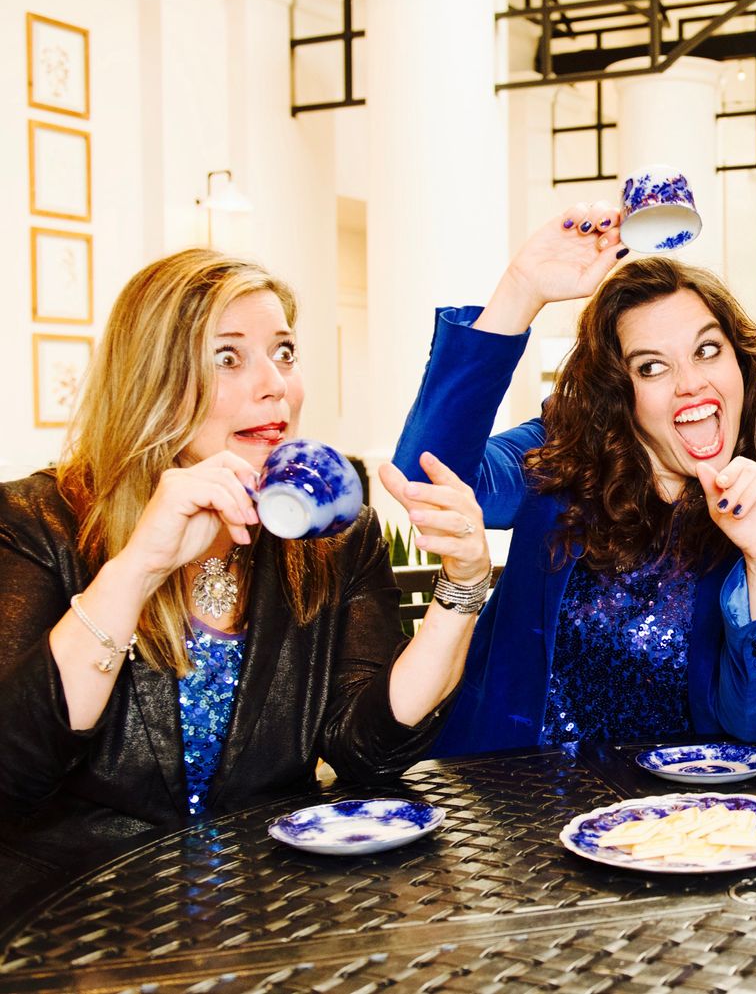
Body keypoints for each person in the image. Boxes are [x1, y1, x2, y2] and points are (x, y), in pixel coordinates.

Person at [0, 250, 489, 891]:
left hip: (269, 898)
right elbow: (13, 775)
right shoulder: (37, 521)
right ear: (152, 381)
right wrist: (139, 567)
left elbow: (366, 752)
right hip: (79, 907)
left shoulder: (335, 538)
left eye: (284, 353)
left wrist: (462, 586)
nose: (275, 384)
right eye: (228, 358)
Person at [394, 204, 756, 757]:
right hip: (512, 790)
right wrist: (519, 291)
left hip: (682, 804)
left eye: (707, 350)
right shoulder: (560, 454)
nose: (690, 383)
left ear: (741, 364)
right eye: (651, 366)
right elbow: (426, 476)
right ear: (619, 392)